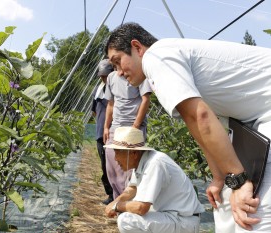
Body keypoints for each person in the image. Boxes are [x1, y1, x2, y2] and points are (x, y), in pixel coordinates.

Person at [104, 22, 271, 232]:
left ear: (137, 47)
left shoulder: (156, 57)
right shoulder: (168, 58)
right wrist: (220, 177)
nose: (118, 72)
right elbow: (202, 126)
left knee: (252, 214)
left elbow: (199, 116)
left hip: (265, 116)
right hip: (255, 119)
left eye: (118, 62)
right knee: (226, 207)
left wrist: (238, 180)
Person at [104, 126, 204, 233]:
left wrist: (116, 206)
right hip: (173, 217)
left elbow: (141, 208)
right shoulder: (141, 161)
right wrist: (115, 202)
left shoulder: (154, 163)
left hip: (182, 220)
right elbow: (132, 188)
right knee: (129, 209)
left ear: (133, 153)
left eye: (117, 152)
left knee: (126, 220)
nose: (115, 158)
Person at [103, 70, 151, 199]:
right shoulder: (111, 77)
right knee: (112, 168)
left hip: (133, 127)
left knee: (129, 169)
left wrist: (135, 126)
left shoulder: (139, 73)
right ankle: (118, 203)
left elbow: (146, 99)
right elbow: (110, 104)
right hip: (115, 127)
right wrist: (106, 126)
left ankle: (128, 206)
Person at [91, 59, 114, 205]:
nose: (103, 78)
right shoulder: (97, 90)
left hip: (115, 132)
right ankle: (111, 194)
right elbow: (93, 111)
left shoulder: (118, 89)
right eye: (101, 76)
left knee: (117, 167)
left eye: (106, 75)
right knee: (105, 166)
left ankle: (120, 195)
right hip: (101, 133)